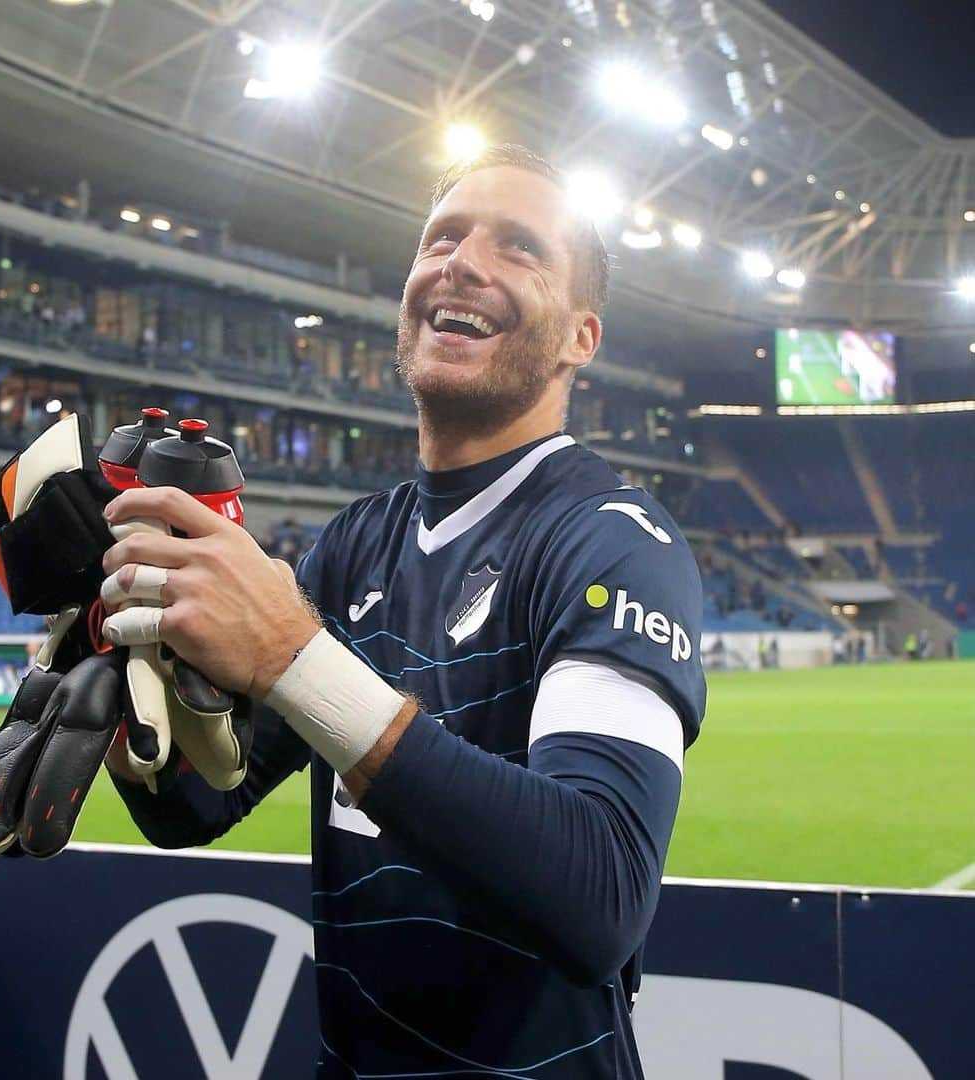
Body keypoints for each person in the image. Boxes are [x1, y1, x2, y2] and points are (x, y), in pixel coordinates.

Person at [99, 144, 706, 1078]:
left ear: (582, 337)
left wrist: (299, 662)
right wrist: (115, 659)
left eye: (519, 249)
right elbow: (197, 806)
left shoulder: (613, 539)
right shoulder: (353, 544)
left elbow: (603, 894)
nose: (461, 263)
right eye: (442, 240)